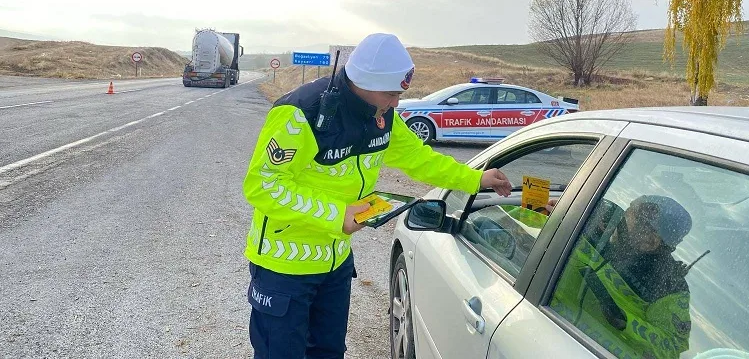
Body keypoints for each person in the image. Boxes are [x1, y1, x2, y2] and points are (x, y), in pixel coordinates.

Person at [242, 33, 512, 359]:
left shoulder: (382, 117)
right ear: (364, 82)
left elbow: (420, 159)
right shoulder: (300, 113)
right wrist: (334, 215)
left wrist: (475, 178)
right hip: (282, 268)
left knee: (328, 352)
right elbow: (263, 184)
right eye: (391, 94)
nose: (396, 103)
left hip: (335, 264)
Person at [550, 195, 693, 359]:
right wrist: (557, 220)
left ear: (650, 241)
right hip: (550, 324)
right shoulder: (595, 230)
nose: (619, 220)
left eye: (628, 216)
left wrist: (625, 321)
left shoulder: (670, 285)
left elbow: (670, 348)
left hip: (595, 349)